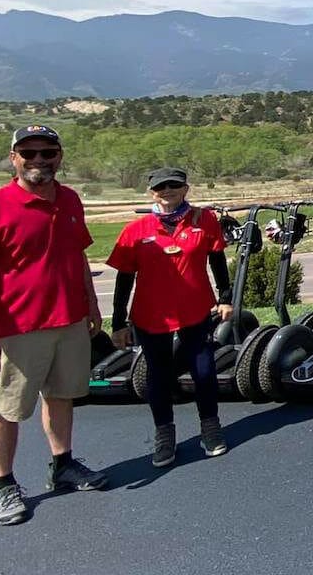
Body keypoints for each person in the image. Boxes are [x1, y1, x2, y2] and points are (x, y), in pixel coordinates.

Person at [0, 125, 108, 527]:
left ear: (59, 156)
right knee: (6, 410)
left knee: (61, 396)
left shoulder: (70, 200)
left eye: (48, 152)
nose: (39, 160)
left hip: (69, 322)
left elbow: (76, 257)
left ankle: (64, 466)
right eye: (30, 153)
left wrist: (91, 305)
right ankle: (4, 486)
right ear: (14, 158)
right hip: (15, 331)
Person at [106, 167, 233, 468]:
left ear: (186, 189)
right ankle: (164, 434)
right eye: (161, 187)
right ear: (152, 192)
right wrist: (118, 322)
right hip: (152, 315)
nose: (168, 191)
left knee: (203, 371)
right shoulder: (136, 230)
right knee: (159, 375)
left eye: (174, 186)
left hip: (196, 309)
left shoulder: (204, 221)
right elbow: (124, 280)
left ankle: (210, 427)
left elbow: (218, 262)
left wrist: (225, 299)